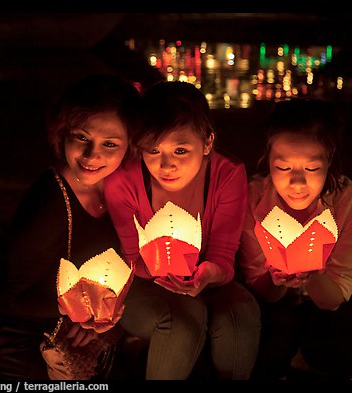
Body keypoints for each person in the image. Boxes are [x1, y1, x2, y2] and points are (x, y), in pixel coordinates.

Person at [0, 74, 141, 380]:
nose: (93, 155)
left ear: (130, 145)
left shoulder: (117, 188)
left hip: (72, 333)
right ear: (62, 133)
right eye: (81, 137)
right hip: (19, 339)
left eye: (110, 144)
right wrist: (82, 314)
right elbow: (13, 297)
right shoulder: (49, 202)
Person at [102, 81, 261, 380]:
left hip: (210, 281)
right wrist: (172, 278)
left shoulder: (227, 175)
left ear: (208, 142)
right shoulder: (123, 182)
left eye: (180, 150)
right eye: (153, 150)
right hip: (145, 283)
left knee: (239, 318)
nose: (166, 165)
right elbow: (133, 257)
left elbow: (224, 257)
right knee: (184, 319)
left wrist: (207, 274)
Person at [237, 98, 352, 380]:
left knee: (335, 345)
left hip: (326, 299)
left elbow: (333, 298)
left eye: (311, 169)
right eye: (284, 168)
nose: (297, 183)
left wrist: (313, 274)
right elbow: (262, 288)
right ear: (268, 160)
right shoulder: (253, 199)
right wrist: (275, 280)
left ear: (330, 160)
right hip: (274, 302)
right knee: (268, 346)